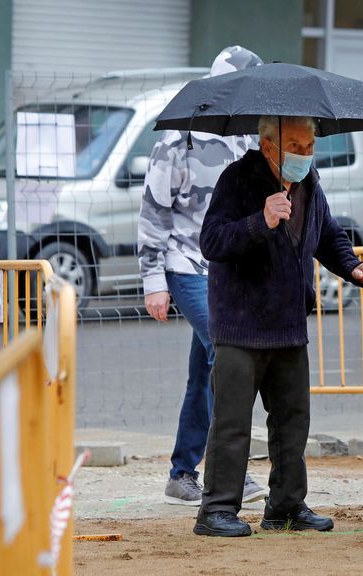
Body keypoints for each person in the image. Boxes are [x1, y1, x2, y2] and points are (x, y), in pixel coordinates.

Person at [193, 115, 363, 537]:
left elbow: (327, 234)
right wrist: (259, 221)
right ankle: (216, 510)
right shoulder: (237, 178)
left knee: (292, 422)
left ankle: (285, 506)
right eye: (295, 146)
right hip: (240, 327)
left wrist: (354, 268)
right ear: (268, 147)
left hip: (288, 324)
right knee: (231, 422)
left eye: (309, 145)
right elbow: (211, 242)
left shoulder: (309, 183)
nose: (305, 154)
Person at [137, 46, 267, 507]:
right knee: (227, 354)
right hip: (185, 265)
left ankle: (181, 474)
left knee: (204, 371)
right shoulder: (177, 142)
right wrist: (153, 279)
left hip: (228, 270)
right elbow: (154, 213)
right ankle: (227, 471)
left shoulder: (251, 141)